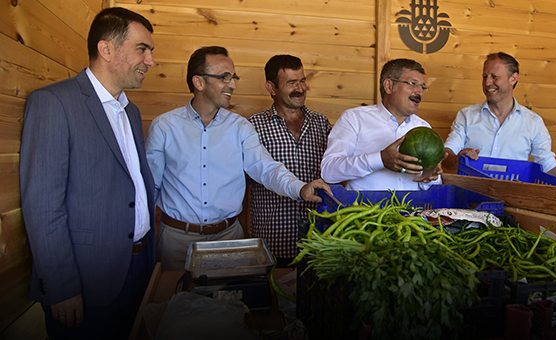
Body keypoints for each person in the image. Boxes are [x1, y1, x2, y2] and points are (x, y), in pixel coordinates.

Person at [19, 8, 157, 340]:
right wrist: (61, 286)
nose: (151, 61)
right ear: (106, 49)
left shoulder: (131, 111)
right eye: (142, 48)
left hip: (140, 268)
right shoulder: (54, 103)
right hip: (85, 279)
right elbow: (42, 205)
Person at [145, 46, 331, 271]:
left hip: (229, 238)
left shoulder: (240, 127)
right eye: (225, 77)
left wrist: (300, 188)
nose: (232, 84)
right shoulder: (164, 127)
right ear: (199, 82)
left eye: (233, 77)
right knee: (173, 301)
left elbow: (265, 167)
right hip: (176, 240)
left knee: (230, 303)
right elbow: (149, 188)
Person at [247, 55, 331, 265]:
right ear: (271, 87)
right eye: (292, 82)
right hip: (273, 240)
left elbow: (336, 171)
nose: (300, 88)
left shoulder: (321, 123)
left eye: (302, 80)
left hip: (318, 239)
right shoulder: (253, 126)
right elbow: (242, 184)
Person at [443, 52, 556, 178]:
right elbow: (447, 154)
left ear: (513, 79)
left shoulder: (533, 122)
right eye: (484, 76)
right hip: (470, 195)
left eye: (494, 77)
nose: (487, 83)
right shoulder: (466, 116)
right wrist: (457, 159)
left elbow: (548, 166)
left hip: (513, 197)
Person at [320, 58, 442, 191]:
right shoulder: (354, 119)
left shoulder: (424, 127)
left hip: (413, 210)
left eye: (423, 87)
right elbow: (329, 171)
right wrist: (380, 160)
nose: (420, 92)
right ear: (389, 86)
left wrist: (428, 178)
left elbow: (432, 186)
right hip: (365, 210)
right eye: (413, 83)